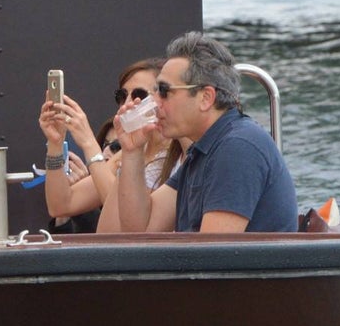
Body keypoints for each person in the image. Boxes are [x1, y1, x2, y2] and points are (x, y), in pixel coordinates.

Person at [114, 32, 297, 234]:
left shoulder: (237, 147)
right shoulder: (204, 150)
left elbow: (213, 255)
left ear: (206, 97)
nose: (154, 101)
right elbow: (141, 229)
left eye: (164, 91)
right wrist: (132, 152)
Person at [39, 58, 184, 232]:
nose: (128, 103)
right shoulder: (125, 155)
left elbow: (129, 221)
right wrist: (55, 144)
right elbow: (61, 204)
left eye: (139, 95)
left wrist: (89, 144)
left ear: (162, 98)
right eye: (122, 96)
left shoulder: (178, 156)